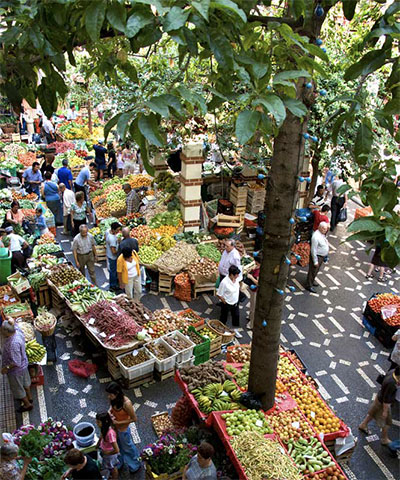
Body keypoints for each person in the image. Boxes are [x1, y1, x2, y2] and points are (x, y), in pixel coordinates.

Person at [105, 382, 141, 474]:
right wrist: (109, 411)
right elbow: (111, 407)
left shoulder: (126, 404)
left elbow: (134, 419)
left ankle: (135, 464)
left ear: (117, 393)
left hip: (123, 429)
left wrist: (118, 422)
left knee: (127, 447)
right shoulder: (113, 399)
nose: (108, 396)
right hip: (115, 428)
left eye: (110, 394)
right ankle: (119, 462)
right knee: (118, 446)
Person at [359, 366, 400, 445]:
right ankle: (384, 438)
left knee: (373, 412)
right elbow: (386, 400)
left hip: (379, 397)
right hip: (383, 402)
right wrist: (385, 411)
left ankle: (363, 425)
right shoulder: (392, 384)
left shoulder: (392, 371)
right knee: (387, 422)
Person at [1, 319, 33, 412]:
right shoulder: (18, 331)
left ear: (7, 331)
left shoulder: (13, 344)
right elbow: (15, 324)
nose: (1, 331)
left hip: (16, 371)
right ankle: (30, 397)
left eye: (2, 329)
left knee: (18, 388)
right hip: (24, 365)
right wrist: (11, 321)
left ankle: (27, 404)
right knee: (26, 382)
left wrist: (6, 368)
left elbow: (16, 362)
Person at [306, 222, 329, 293]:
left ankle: (312, 281)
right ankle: (309, 285)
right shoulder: (316, 237)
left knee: (315, 271)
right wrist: (315, 261)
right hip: (317, 256)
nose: (325, 230)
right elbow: (313, 250)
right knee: (313, 271)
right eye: (324, 229)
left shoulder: (321, 234)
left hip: (321, 256)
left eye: (326, 229)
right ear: (320, 228)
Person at [96, 412, 120, 479]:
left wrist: (107, 453)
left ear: (105, 422)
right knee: (110, 466)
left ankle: (115, 478)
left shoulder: (110, 434)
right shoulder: (103, 428)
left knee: (113, 467)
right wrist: (98, 444)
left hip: (110, 455)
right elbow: (101, 436)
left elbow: (117, 450)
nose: (96, 423)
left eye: (98, 422)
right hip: (105, 451)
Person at [217, 265, 241, 330]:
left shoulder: (236, 279)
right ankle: (221, 329)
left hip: (235, 302)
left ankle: (235, 330)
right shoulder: (224, 283)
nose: (238, 276)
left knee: (236, 316)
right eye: (236, 275)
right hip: (227, 303)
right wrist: (224, 302)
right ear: (231, 275)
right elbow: (219, 294)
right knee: (224, 317)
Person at [246, 253, 262, 330]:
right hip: (253, 289)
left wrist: (251, 277)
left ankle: (251, 324)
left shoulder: (259, 271)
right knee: (252, 304)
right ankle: (250, 317)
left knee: (253, 307)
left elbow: (258, 283)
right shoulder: (258, 267)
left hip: (255, 290)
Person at [106, 222, 122, 291]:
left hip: (109, 255)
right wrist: (119, 244)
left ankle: (113, 283)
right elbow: (114, 251)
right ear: (113, 229)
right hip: (113, 257)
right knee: (113, 271)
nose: (118, 231)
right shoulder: (112, 239)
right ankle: (113, 285)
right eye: (117, 230)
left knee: (112, 270)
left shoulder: (107, 231)